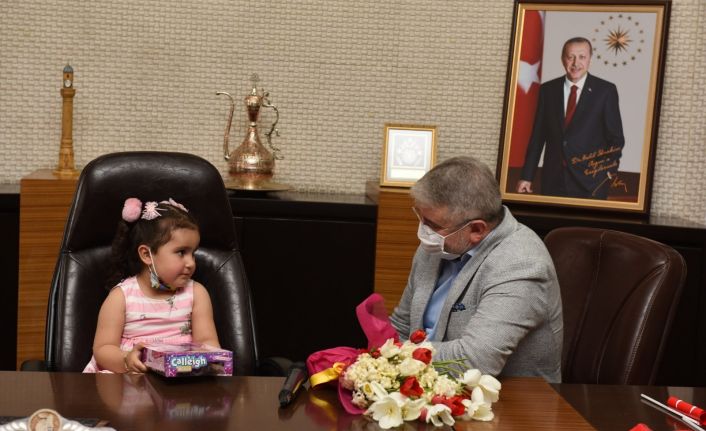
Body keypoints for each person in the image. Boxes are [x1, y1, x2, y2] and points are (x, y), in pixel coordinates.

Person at [390, 156, 563, 382]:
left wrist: (397, 355)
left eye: (433, 225)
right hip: (427, 383)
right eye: (422, 219)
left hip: (511, 397)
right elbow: (401, 325)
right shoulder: (436, 245)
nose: (423, 231)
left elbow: (475, 360)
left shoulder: (522, 263)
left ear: (477, 230)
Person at [83, 198, 219, 373]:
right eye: (181, 252)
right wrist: (126, 359)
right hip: (131, 376)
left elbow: (207, 341)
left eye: (193, 253)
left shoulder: (197, 294)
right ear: (147, 255)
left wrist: (206, 359)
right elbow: (103, 348)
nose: (191, 263)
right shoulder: (121, 297)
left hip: (180, 375)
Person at [517, 36, 625, 199]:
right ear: (563, 59)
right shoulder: (548, 90)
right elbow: (538, 137)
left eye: (582, 57)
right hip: (553, 180)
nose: (576, 63)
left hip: (591, 184)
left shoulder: (605, 91)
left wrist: (606, 173)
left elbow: (616, 139)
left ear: (590, 59)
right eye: (570, 57)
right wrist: (527, 176)